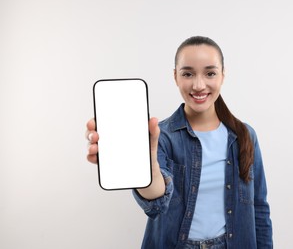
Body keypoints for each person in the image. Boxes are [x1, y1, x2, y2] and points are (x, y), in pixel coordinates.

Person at [86, 36, 273, 248]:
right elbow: (156, 202)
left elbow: (259, 208)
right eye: (188, 74)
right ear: (175, 77)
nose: (199, 85)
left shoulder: (245, 135)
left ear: (223, 75)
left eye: (210, 73)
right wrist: (147, 169)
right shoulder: (160, 136)